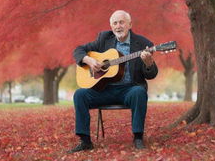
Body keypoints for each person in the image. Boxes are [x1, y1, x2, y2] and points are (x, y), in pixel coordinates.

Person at [68, 10, 158, 153]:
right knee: (80, 94)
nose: (118, 26)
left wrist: (148, 64)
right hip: (104, 89)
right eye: (115, 23)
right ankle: (85, 141)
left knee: (139, 92)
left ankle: (138, 137)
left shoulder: (143, 44)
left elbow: (152, 74)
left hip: (129, 90)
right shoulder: (104, 38)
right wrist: (88, 59)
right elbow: (78, 50)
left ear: (130, 24)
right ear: (111, 26)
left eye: (121, 22)